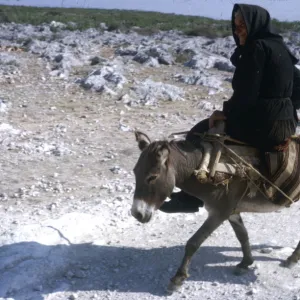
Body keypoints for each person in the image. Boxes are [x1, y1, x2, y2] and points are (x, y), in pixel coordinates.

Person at [160, 3, 300, 214]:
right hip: (286, 125)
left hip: (265, 126)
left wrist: (224, 113)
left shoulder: (256, 48)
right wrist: (285, 109)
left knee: (200, 130)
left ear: (255, 24)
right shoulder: (279, 46)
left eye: (243, 24)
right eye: (235, 25)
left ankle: (191, 197)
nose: (238, 30)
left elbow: (247, 94)